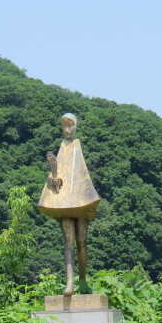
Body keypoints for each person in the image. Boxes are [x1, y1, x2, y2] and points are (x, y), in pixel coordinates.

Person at [37, 113, 101, 296]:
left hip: (80, 202)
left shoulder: (76, 146)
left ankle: (83, 280)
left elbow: (81, 173)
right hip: (64, 203)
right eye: (64, 126)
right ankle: (70, 282)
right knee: (68, 241)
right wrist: (54, 178)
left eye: (70, 126)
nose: (67, 130)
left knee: (81, 240)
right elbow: (58, 179)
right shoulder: (62, 147)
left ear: (75, 127)